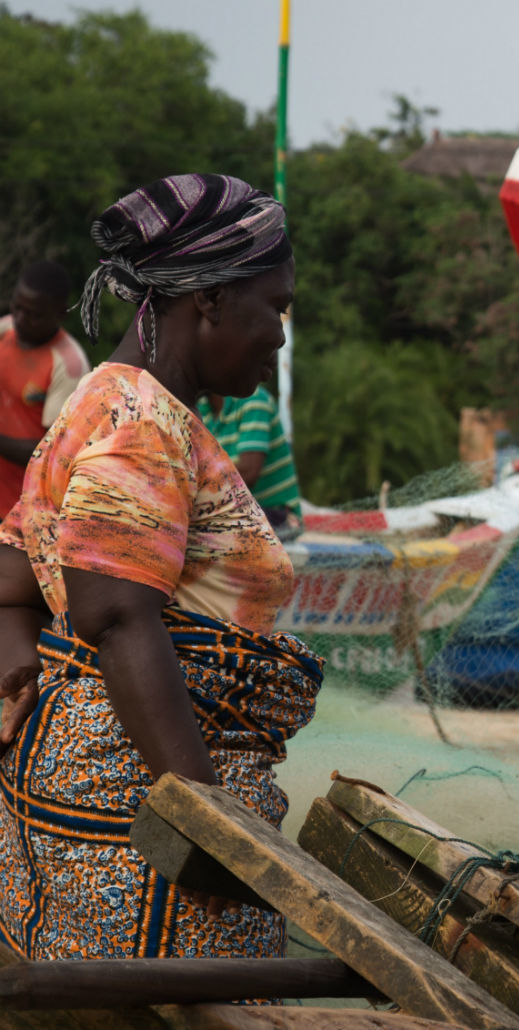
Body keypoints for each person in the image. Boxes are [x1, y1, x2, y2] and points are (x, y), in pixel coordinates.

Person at [0, 174, 321, 962]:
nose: (281, 335)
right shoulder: (144, 423)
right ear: (208, 299)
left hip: (90, 802)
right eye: (274, 307)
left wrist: (20, 685)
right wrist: (213, 830)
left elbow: (9, 590)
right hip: (145, 834)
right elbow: (117, 615)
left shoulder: (98, 401)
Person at [0, 262, 92, 514]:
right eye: (17, 307)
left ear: (60, 313)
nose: (20, 318)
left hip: (20, 509)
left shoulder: (69, 365)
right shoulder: (6, 329)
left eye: (34, 314)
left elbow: (51, 453)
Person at [198, 385, 303, 540]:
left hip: (276, 514)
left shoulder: (253, 400)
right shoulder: (202, 410)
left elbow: (249, 472)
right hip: (232, 512)